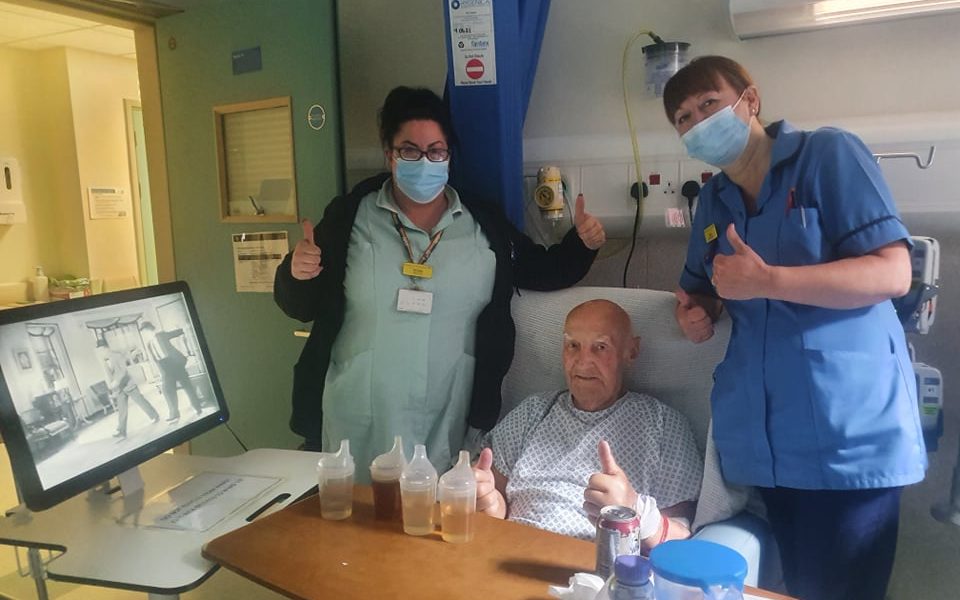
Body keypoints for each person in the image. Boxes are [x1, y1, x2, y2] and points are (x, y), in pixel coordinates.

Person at [665, 56, 926, 600]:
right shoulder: (714, 200)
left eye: (709, 105)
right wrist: (696, 313)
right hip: (766, 443)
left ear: (750, 100)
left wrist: (769, 280)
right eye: (684, 118)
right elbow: (705, 288)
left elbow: (894, 271)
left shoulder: (826, 156)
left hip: (848, 437)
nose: (698, 123)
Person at [274, 86, 605, 479]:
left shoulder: (482, 223)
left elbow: (544, 270)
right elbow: (300, 305)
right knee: (355, 531)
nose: (424, 161)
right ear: (389, 155)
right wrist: (297, 272)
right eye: (410, 150)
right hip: (357, 416)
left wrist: (581, 244)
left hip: (449, 414)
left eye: (436, 150)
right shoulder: (351, 217)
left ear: (449, 155)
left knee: (434, 529)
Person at [473, 300, 702, 551]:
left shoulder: (663, 424)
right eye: (573, 346)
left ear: (631, 352)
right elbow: (495, 498)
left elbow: (681, 540)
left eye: (600, 347)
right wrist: (489, 503)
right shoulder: (533, 411)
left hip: (596, 568)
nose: (583, 362)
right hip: (511, 551)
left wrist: (634, 509)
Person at [139, 321, 204, 422]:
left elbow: (176, 333)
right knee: (167, 390)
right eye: (143, 332)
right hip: (165, 368)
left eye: (145, 330)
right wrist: (161, 372)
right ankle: (174, 415)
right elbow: (156, 359)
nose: (144, 333)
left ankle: (197, 408)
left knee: (187, 386)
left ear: (149, 329)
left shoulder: (161, 335)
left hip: (175, 364)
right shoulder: (148, 344)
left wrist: (185, 327)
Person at [95, 338, 159, 439]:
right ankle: (121, 430)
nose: (100, 353)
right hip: (119, 389)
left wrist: (116, 381)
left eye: (101, 350)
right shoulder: (104, 361)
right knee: (122, 409)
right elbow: (108, 375)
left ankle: (154, 415)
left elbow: (124, 371)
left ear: (105, 348)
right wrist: (111, 385)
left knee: (140, 401)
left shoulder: (117, 355)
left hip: (128, 384)